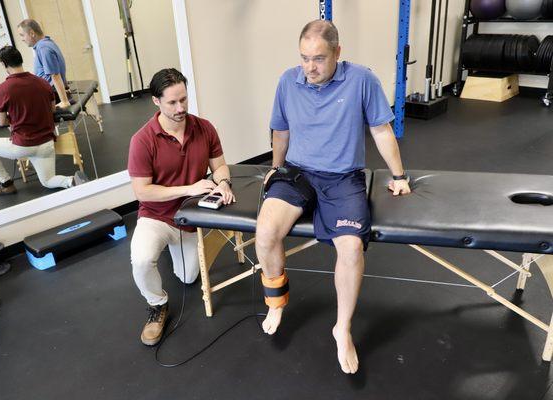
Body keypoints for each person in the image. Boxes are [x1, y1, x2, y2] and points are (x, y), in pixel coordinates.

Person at [255, 20, 412, 374]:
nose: (310, 67)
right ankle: (276, 302)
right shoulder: (287, 81)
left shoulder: (361, 80)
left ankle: (342, 328)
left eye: (319, 59)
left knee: (352, 248)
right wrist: (277, 167)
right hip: (298, 173)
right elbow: (280, 131)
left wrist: (399, 176)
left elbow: (381, 130)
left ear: (338, 53)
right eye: (305, 58)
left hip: (343, 178)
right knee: (265, 233)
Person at [128, 68, 235, 346]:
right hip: (157, 216)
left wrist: (222, 183)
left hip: (191, 217)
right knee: (141, 260)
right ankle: (157, 305)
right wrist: (189, 188)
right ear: (156, 101)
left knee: (188, 279)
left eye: (184, 99)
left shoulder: (204, 127)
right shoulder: (142, 140)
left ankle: (175, 250)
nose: (181, 108)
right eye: (172, 102)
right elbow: (142, 191)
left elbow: (220, 165)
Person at [0, 46, 87, 196]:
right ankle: (71, 181)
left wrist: (18, 118)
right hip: (46, 144)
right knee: (48, 181)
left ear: (4, 64)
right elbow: (52, 110)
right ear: (20, 60)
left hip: (23, 146)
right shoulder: (43, 83)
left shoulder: (2, 89)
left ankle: (6, 183)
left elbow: (1, 122)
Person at [17, 19, 71, 108]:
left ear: (32, 33)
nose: (22, 39)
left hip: (50, 95)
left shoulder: (43, 48)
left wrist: (64, 101)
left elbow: (55, 75)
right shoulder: (47, 42)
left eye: (22, 35)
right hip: (50, 92)